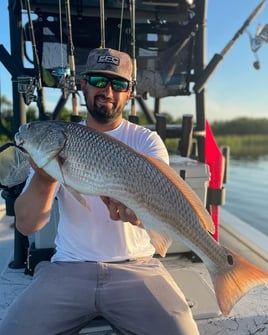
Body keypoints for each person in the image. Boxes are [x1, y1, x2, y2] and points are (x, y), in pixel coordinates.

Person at [0, 48, 200, 335]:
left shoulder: (146, 141)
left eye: (119, 84)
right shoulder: (55, 144)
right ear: (83, 84)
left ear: (129, 92)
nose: (108, 91)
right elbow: (27, 224)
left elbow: (162, 203)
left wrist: (140, 217)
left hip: (137, 267)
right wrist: (44, 179)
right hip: (69, 266)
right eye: (98, 80)